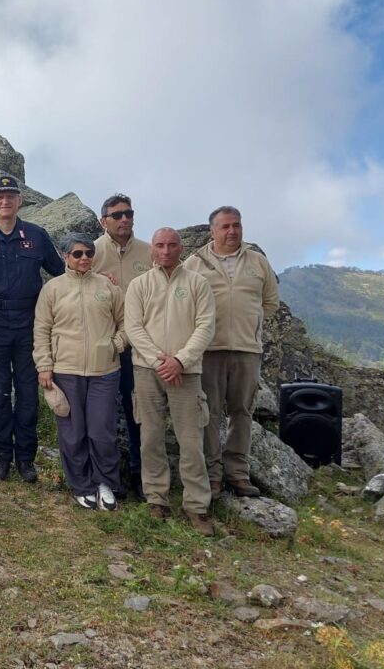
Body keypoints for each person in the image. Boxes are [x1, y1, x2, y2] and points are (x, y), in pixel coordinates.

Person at [0, 176, 63, 482]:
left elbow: (62, 273)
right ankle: (1, 456)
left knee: (27, 394)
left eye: (11, 196)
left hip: (29, 325)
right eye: (0, 196)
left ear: (20, 201)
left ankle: (25, 458)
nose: (5, 201)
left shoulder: (36, 235)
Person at [125, 228, 216, 536]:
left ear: (181, 248)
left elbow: (206, 326)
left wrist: (180, 360)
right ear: (152, 249)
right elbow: (133, 328)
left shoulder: (198, 284)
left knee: (190, 441)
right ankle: (156, 499)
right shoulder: (139, 285)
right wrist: (159, 361)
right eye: (160, 245)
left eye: (172, 245)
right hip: (146, 370)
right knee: (150, 437)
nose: (166, 251)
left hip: (186, 373)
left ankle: (197, 505)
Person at [184, 206, 279, 497]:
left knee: (242, 412)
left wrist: (251, 326)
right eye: (225, 226)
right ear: (212, 230)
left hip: (247, 350)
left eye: (236, 225)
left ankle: (238, 473)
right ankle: (212, 475)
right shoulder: (195, 263)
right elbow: (184, 305)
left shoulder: (257, 262)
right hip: (209, 350)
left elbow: (270, 303)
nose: (232, 231)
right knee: (210, 414)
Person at [34, 234, 126, 510]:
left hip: (104, 370)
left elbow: (126, 322)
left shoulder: (108, 287)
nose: (84, 258)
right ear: (65, 256)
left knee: (102, 430)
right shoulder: (52, 289)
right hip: (66, 370)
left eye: (89, 253)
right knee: (73, 432)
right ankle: (81, 486)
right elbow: (41, 329)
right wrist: (44, 366)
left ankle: (105, 483)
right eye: (77, 254)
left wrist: (116, 345)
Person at [92, 193, 151, 501]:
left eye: (128, 213)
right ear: (103, 221)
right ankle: (107, 478)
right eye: (117, 215)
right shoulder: (90, 251)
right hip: (105, 344)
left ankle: (141, 476)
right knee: (101, 414)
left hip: (139, 346)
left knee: (137, 411)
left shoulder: (149, 252)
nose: (124, 219)